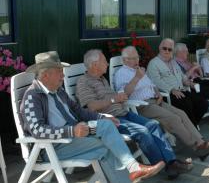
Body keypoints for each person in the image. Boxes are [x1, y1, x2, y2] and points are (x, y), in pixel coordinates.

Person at [21, 51, 165, 183]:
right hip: (53, 146)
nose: (63, 76)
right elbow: (37, 130)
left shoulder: (58, 91)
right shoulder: (33, 96)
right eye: (59, 72)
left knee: (107, 126)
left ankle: (134, 169)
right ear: (46, 75)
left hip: (76, 135)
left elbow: (79, 111)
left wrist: (102, 117)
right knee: (108, 145)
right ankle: (133, 168)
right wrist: (71, 131)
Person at [76, 49, 192, 179]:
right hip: (110, 120)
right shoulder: (83, 82)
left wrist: (119, 98)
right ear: (95, 64)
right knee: (143, 131)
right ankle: (165, 166)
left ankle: (172, 162)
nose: (107, 64)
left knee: (153, 124)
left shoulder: (102, 79)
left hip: (123, 112)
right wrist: (114, 99)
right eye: (104, 61)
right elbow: (90, 107)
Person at [114, 46, 209, 161]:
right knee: (173, 118)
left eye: (137, 57)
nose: (137, 60)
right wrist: (136, 78)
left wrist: (158, 93)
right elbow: (123, 95)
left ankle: (201, 141)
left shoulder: (139, 69)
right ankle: (197, 146)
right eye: (133, 58)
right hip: (142, 106)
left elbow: (151, 85)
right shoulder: (121, 73)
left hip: (156, 100)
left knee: (181, 113)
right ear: (125, 60)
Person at [147, 38, 209, 127]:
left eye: (170, 49)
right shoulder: (154, 63)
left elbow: (182, 77)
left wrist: (190, 83)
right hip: (168, 94)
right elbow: (156, 82)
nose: (167, 51)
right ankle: (193, 130)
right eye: (164, 48)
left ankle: (190, 125)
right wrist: (172, 90)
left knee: (203, 103)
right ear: (160, 48)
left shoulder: (173, 62)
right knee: (188, 105)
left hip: (182, 91)